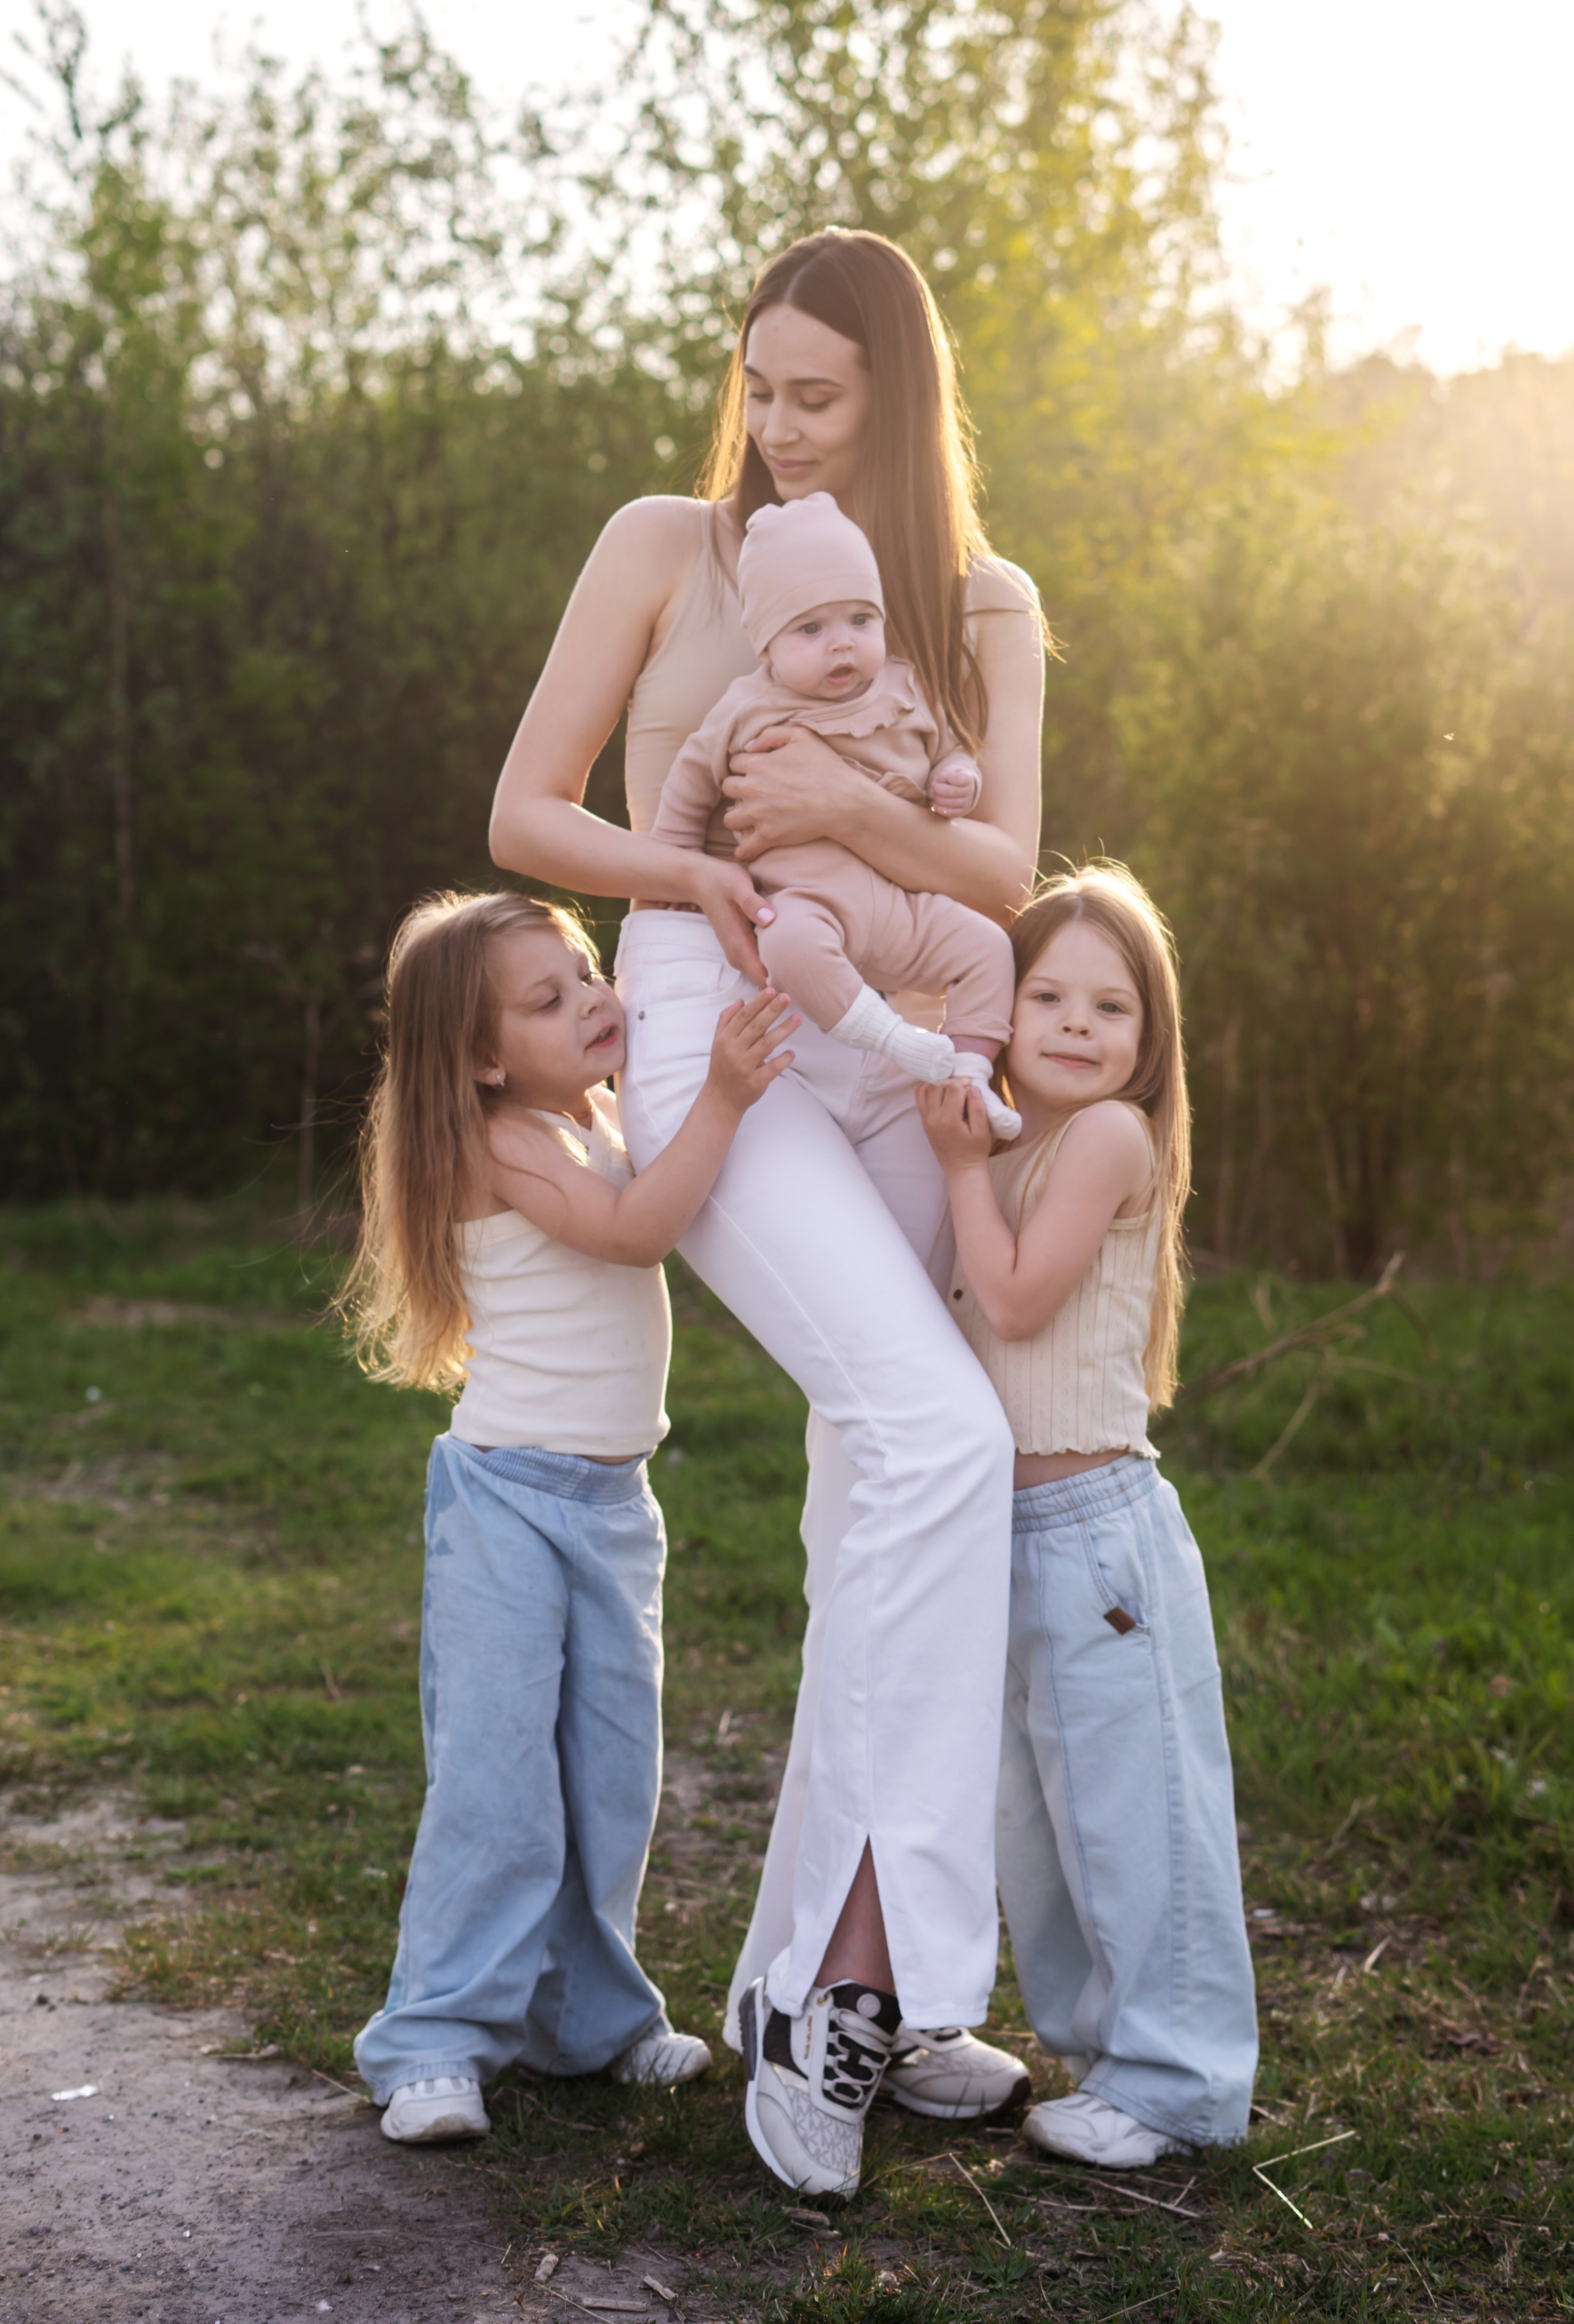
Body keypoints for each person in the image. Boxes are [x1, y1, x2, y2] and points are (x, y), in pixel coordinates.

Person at [488, 228, 1044, 2196]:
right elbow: (521, 812)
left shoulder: (979, 601)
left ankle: (826, 1976)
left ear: (895, 399)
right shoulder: (665, 541)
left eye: (818, 395)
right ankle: (845, 1988)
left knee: (887, 1481)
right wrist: (702, 862)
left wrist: (843, 810)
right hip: (710, 1003)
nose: (780, 427)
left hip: (889, 1011)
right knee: (934, 1430)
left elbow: (1005, 862)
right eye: (760, 387)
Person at [339, 889, 796, 2143]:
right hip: (510, 1503)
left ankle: (586, 2024)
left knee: (609, 1775)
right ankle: (430, 2040)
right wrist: (724, 1093)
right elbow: (638, 1227)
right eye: (548, 1000)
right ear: (483, 1059)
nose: (595, 998)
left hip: (612, 1504)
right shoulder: (505, 1141)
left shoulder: (588, 1114)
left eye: (586, 971)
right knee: (498, 1780)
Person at [917, 865, 1259, 2168]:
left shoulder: (1108, 1135)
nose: (1070, 1024)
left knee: (1135, 1813)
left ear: (1145, 1036)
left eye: (1105, 1005)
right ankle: (1103, 2059)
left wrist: (955, 1163)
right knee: (1037, 1825)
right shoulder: (1014, 1136)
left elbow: (1008, 1303)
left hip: (1091, 1535)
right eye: (1043, 994)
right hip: (999, 1538)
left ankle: (1178, 2082)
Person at [651, 489, 1020, 1140]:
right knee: (786, 945)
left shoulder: (908, 688)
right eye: (810, 629)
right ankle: (898, 1044)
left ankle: (970, 1076)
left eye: (859, 619)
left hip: (905, 907)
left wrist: (956, 779)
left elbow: (950, 751)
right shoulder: (746, 707)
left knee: (988, 949)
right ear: (766, 645)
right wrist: (676, 870)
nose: (841, 645)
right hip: (808, 900)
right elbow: (689, 783)